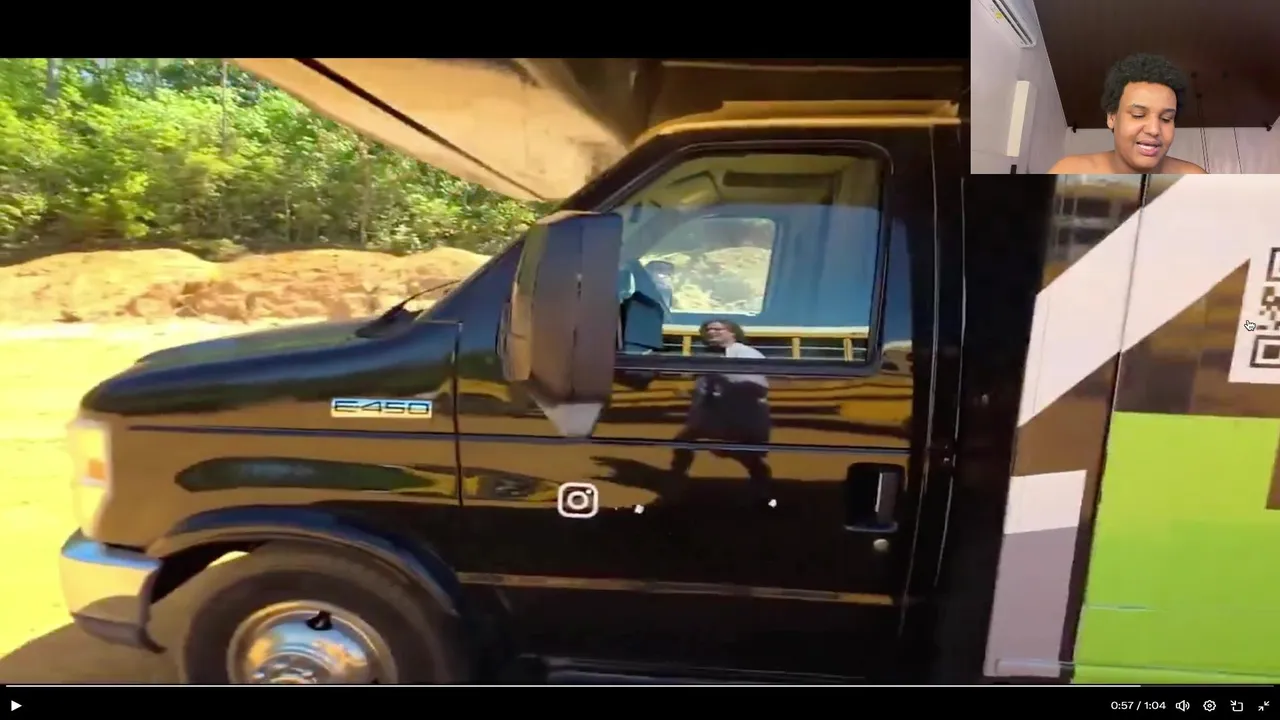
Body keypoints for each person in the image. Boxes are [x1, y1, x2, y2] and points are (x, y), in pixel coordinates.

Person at [1048, 53, 1207, 175]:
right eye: (1138, 115)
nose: (1154, 130)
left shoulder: (1195, 181)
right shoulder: (1069, 172)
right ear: (1112, 117)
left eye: (1166, 119)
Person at [669, 319, 773, 504]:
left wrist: (723, 381)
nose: (712, 332)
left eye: (718, 329)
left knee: (744, 455)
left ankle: (763, 489)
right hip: (713, 414)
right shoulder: (709, 356)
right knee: (683, 441)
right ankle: (676, 481)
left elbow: (757, 388)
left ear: (733, 333)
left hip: (740, 414)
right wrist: (692, 393)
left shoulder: (747, 354)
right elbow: (709, 386)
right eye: (708, 330)